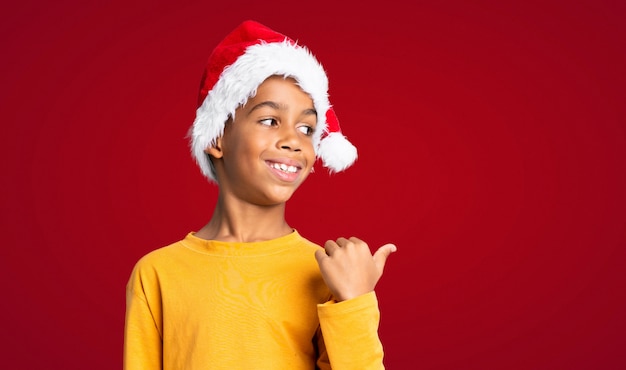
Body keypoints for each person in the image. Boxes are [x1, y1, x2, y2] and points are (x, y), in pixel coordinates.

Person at [124, 20, 397, 369]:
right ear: (216, 138)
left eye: (307, 128)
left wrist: (355, 299)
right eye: (270, 120)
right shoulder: (157, 273)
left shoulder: (329, 273)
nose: (294, 140)